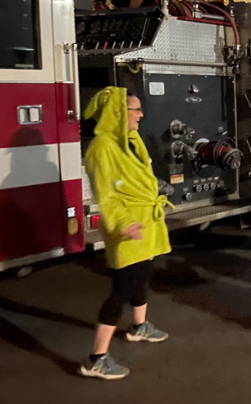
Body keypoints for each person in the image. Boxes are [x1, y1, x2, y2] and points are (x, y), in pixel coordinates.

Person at [79, 87, 172, 380]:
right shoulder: (102, 148)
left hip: (145, 224)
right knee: (122, 289)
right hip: (127, 227)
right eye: (135, 109)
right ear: (118, 113)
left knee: (143, 276)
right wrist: (123, 225)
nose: (141, 114)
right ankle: (96, 359)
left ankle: (138, 327)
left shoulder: (131, 139)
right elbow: (106, 196)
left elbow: (142, 177)